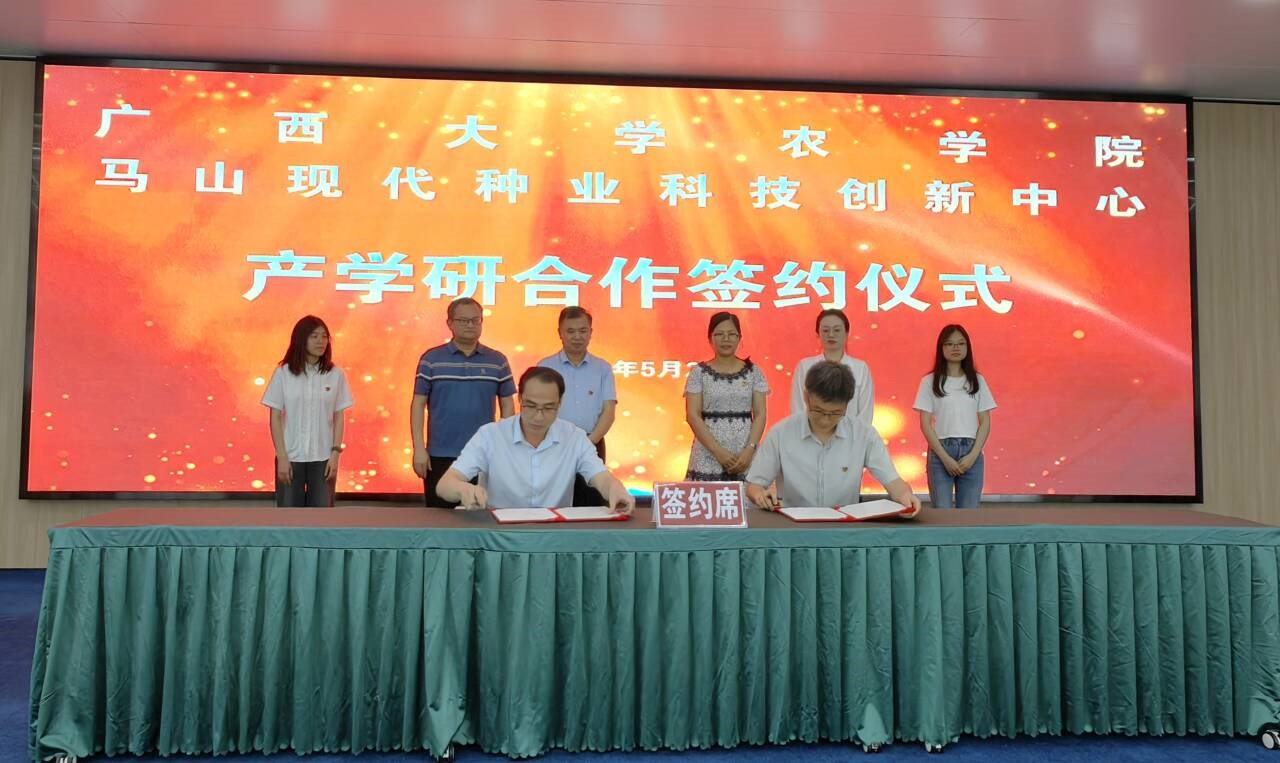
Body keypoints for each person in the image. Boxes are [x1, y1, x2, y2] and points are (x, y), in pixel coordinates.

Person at [436, 367, 636, 513]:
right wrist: (463, 489)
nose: (538, 417)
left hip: (553, 536)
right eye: (530, 406)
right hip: (499, 535)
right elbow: (444, 485)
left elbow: (601, 478)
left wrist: (615, 489)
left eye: (548, 408)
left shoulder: (574, 437)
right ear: (520, 399)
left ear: (560, 403)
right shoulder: (490, 435)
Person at [746, 361, 921, 516]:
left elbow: (893, 481)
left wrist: (905, 497)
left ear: (847, 404)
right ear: (806, 397)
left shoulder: (863, 434)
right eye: (818, 410)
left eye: (836, 413)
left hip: (844, 529)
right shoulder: (781, 433)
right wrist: (760, 495)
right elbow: (754, 485)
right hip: (794, 528)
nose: (825, 420)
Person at [411, 297, 515, 508]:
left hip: (484, 454)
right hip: (440, 453)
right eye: (463, 320)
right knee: (439, 516)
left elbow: (507, 406)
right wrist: (419, 449)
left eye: (475, 320)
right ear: (450, 323)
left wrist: (504, 447)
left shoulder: (497, 361)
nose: (470, 325)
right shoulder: (431, 359)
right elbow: (418, 404)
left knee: (481, 514)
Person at [261, 315, 354, 507]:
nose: (321, 341)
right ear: (301, 339)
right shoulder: (284, 373)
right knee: (289, 517)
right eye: (314, 336)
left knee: (322, 517)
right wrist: (282, 456)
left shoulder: (335, 374)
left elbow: (339, 416)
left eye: (324, 336)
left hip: (323, 458)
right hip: (290, 456)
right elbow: (275, 417)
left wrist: (335, 454)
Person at [537, 306, 617, 506]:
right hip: (553, 443)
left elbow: (609, 412)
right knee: (552, 503)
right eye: (570, 331)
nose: (577, 337)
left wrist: (588, 443)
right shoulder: (544, 367)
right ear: (560, 333)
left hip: (592, 442)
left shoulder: (603, 368)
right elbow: (537, 410)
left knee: (591, 503)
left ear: (591, 332)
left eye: (582, 331)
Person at [913, 324, 996, 508]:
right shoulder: (929, 381)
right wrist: (944, 458)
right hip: (941, 451)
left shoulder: (977, 380)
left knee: (968, 516)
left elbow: (985, 421)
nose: (955, 348)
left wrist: (973, 455)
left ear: (967, 347)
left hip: (971, 451)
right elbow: (925, 423)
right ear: (941, 348)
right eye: (949, 344)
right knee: (942, 514)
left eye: (960, 343)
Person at [683, 311, 769, 481]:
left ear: (739, 338)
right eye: (720, 334)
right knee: (707, 496)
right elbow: (692, 415)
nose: (726, 339)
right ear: (710, 338)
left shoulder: (754, 372)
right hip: (708, 451)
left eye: (731, 334)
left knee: (748, 495)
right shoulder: (698, 373)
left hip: (745, 451)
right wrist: (718, 451)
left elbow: (760, 414)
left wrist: (750, 449)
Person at [790, 308, 874, 426]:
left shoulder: (860, 368)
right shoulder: (805, 367)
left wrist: (857, 436)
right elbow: (798, 408)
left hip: (851, 435)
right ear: (818, 334)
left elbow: (865, 413)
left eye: (837, 330)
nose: (831, 334)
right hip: (812, 435)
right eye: (825, 330)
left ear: (846, 333)